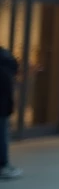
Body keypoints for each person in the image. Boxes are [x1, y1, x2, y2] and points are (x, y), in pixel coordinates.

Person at [0, 45, 21, 180]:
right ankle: (3, 165)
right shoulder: (6, 71)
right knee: (2, 136)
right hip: (3, 108)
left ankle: (3, 165)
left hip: (2, 108)